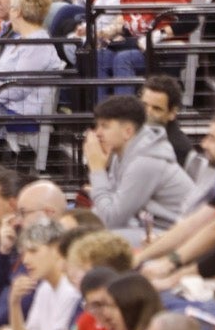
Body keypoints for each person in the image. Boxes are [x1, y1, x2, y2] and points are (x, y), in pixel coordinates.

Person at [82, 95, 194, 239]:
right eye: (97, 126)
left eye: (105, 126)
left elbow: (110, 221)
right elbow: (107, 206)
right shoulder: (121, 154)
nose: (97, 133)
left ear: (127, 131)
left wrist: (97, 170)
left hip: (177, 235)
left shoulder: (145, 162)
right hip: (150, 228)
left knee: (97, 241)